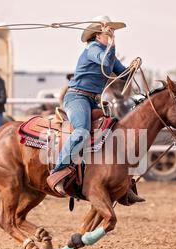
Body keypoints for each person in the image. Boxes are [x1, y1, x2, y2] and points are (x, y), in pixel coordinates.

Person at [47, 15, 127, 189]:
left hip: (91, 100)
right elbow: (105, 61)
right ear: (98, 35)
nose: (112, 34)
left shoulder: (107, 53)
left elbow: (123, 74)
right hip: (77, 97)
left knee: (112, 131)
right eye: (108, 32)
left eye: (112, 32)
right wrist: (112, 44)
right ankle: (57, 172)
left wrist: (135, 67)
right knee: (82, 130)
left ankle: (114, 180)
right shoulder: (93, 48)